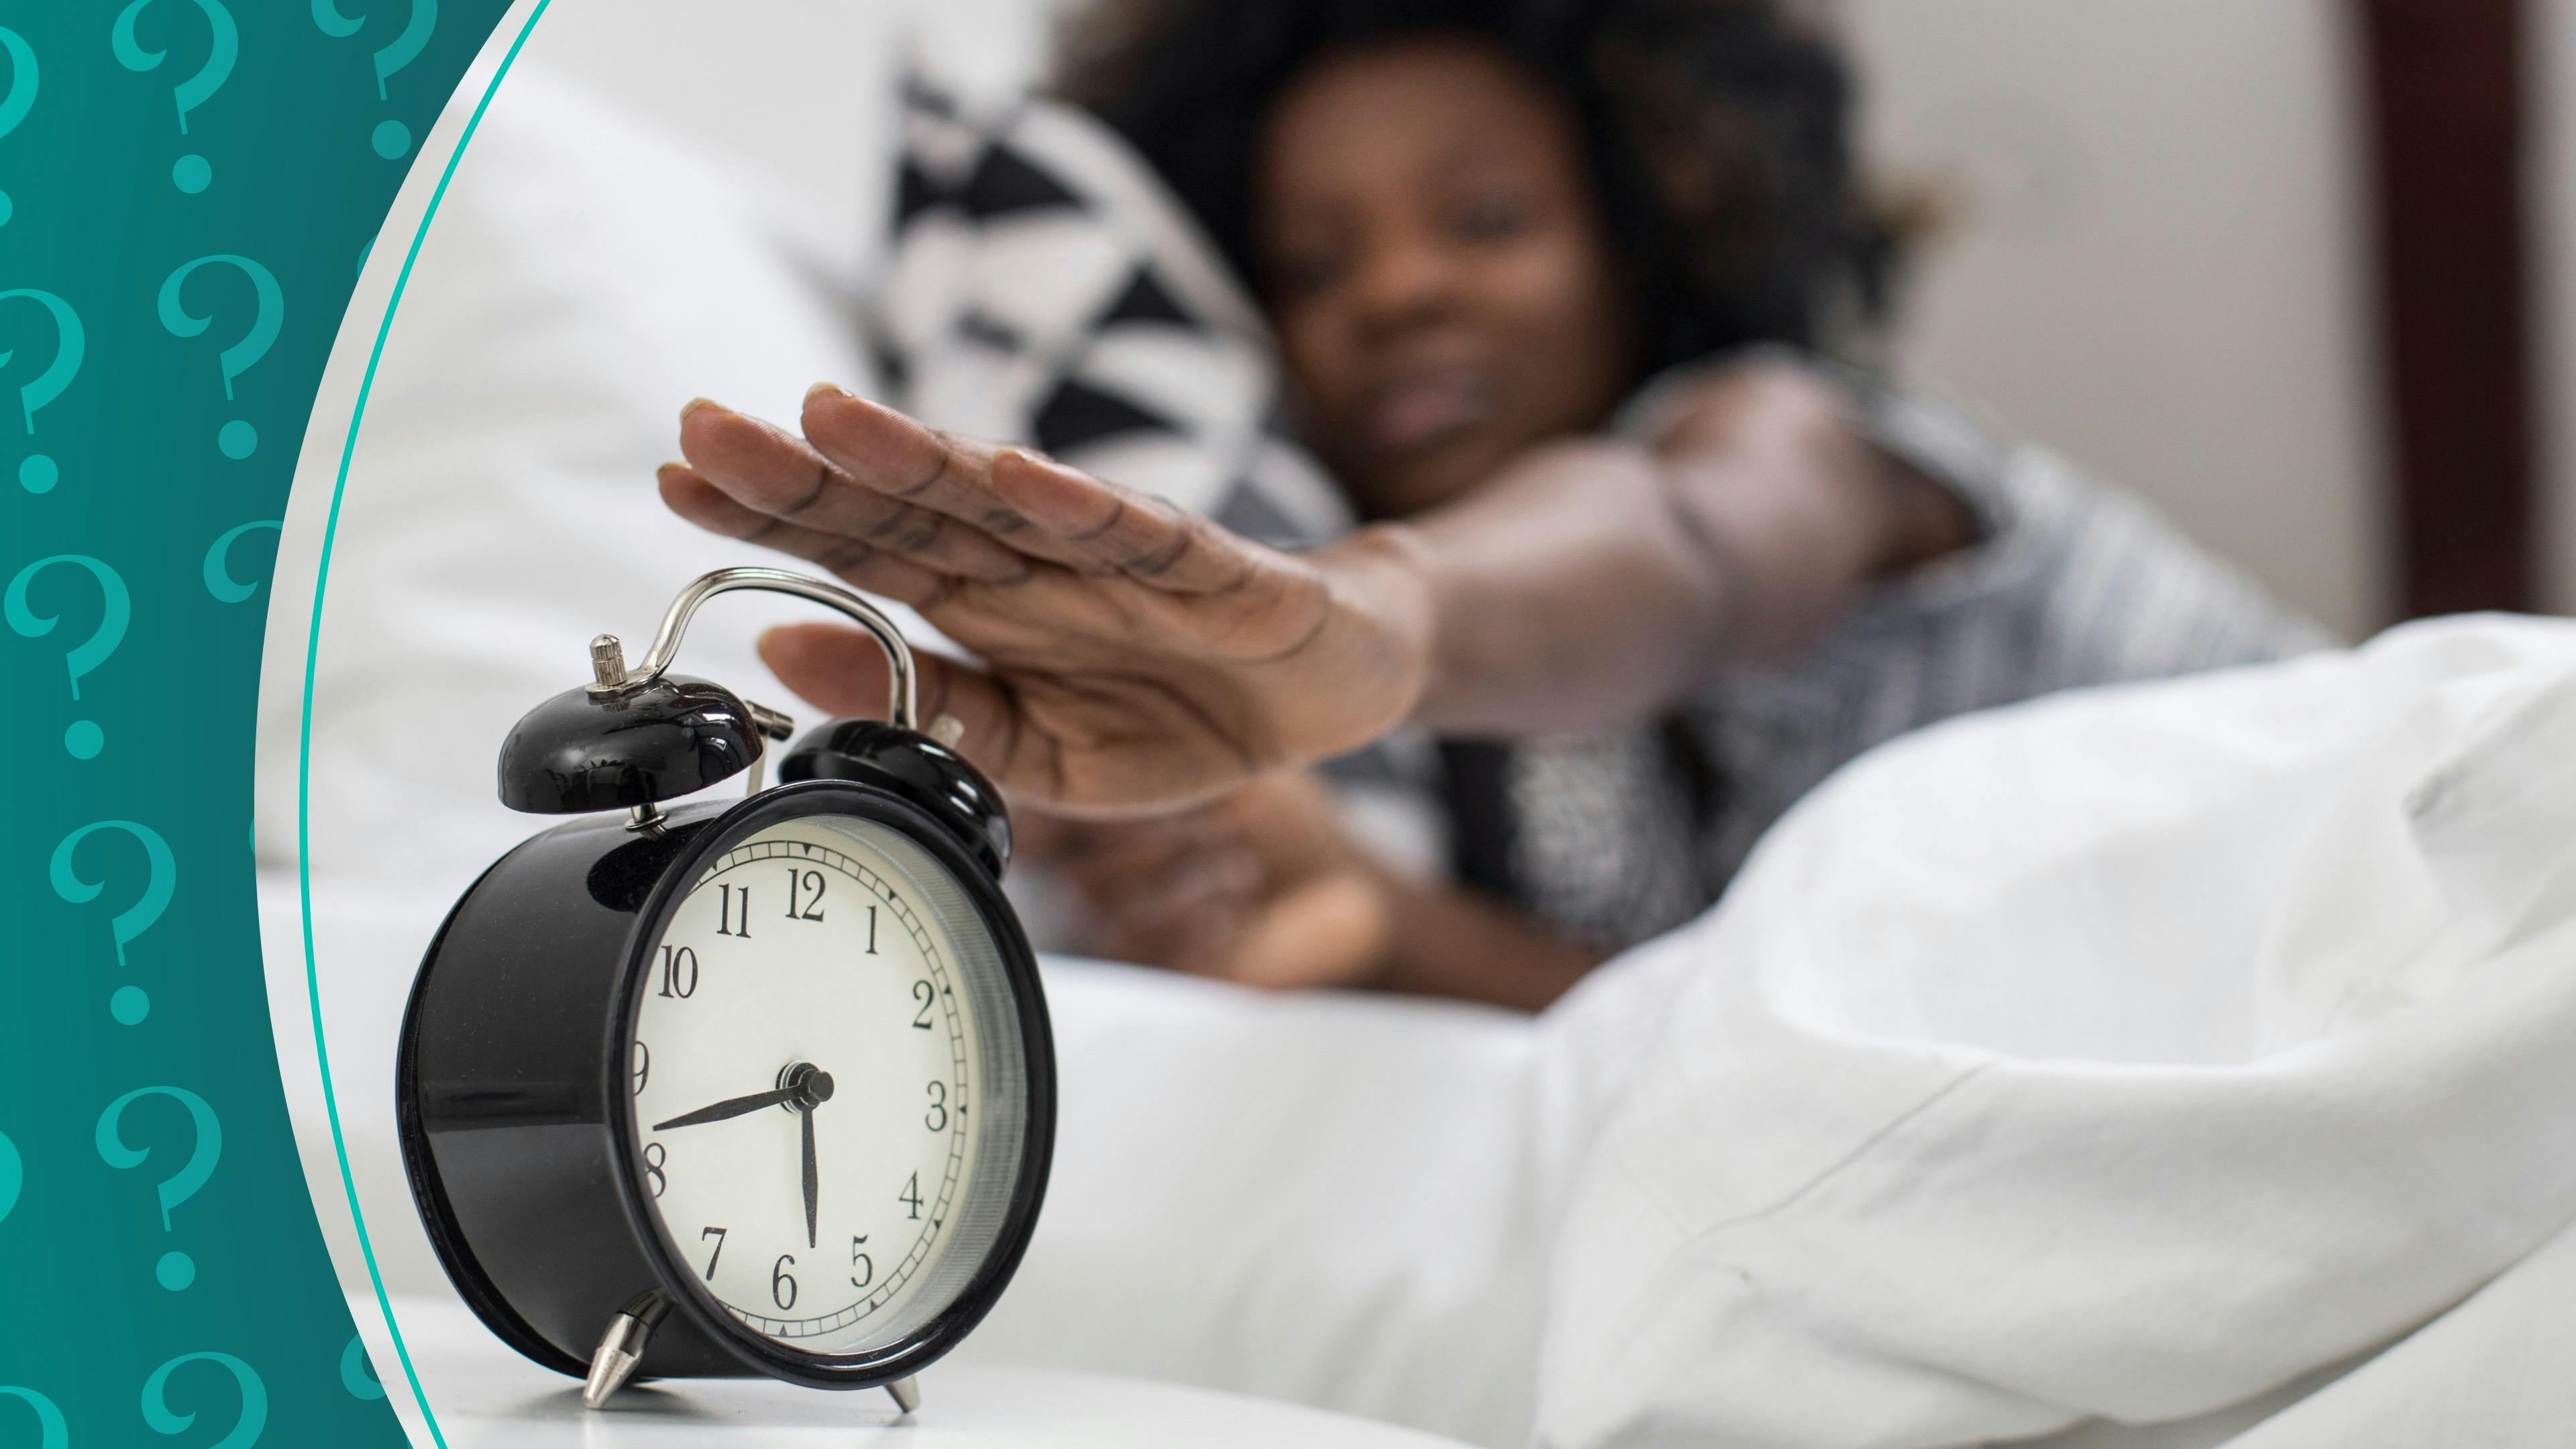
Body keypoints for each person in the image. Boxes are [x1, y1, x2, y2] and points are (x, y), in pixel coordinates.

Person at [659, 0, 2320, 1010]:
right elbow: (1695, 1031)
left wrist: (1386, 621)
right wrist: (1368, 915)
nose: (1399, 292)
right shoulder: (1533, 776)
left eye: (1487, 216)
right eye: (1316, 263)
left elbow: (1685, 549)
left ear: (1646, 228)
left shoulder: (1783, 440)